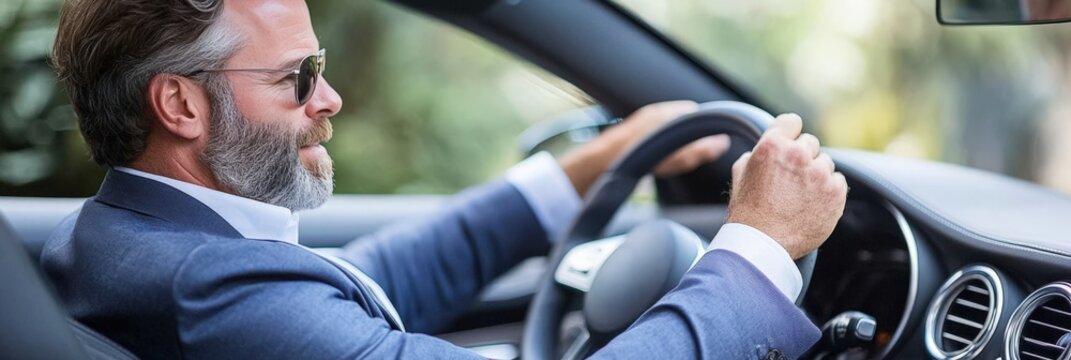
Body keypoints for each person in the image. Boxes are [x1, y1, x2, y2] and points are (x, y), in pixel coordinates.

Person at [42, 0, 848, 359]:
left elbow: (367, 282)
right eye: (297, 76)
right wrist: (757, 248)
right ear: (180, 105)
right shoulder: (208, 291)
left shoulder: (127, 236)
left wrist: (595, 163)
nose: (330, 98)